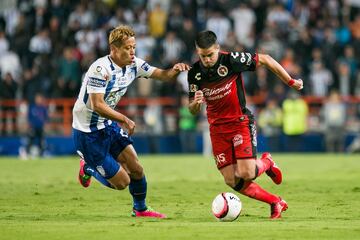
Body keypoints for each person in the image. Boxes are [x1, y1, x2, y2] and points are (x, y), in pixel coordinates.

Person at [72, 25, 190, 218]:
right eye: (128, 48)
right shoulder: (100, 69)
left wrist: (175, 70)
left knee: (136, 168)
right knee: (122, 182)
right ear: (114, 49)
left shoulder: (134, 65)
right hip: (88, 132)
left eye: (134, 47)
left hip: (107, 125)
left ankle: (140, 209)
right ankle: (87, 167)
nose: (132, 51)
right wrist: (125, 119)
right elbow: (96, 105)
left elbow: (162, 75)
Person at [187, 30, 303, 219]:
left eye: (210, 55)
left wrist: (290, 81)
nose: (207, 59)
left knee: (247, 172)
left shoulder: (231, 60)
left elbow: (265, 59)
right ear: (197, 52)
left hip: (239, 122)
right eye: (202, 56)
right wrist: (195, 103)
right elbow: (192, 109)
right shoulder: (194, 73)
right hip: (217, 129)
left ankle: (267, 162)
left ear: (217, 48)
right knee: (231, 179)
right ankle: (276, 202)